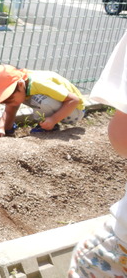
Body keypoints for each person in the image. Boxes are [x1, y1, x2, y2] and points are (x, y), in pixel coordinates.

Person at [68, 31, 127, 277]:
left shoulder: (39, 87)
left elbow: (122, 136)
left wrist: (49, 121)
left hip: (71, 108)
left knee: (88, 262)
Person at [0, 64, 85, 139]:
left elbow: (74, 100)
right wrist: (1, 128)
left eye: (10, 99)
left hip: (74, 110)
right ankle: (8, 128)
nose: (9, 104)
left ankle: (49, 127)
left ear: (20, 85)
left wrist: (53, 120)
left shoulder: (39, 84)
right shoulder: (21, 84)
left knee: (39, 99)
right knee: (22, 101)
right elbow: (10, 109)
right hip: (63, 106)